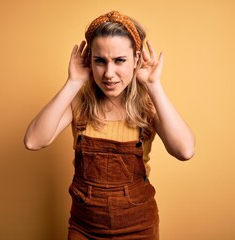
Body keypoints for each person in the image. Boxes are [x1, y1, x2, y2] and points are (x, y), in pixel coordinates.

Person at [24, 10, 195, 240]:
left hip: (139, 227)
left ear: (136, 59)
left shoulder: (148, 105)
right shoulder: (79, 102)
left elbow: (185, 151)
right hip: (84, 229)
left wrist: (154, 86)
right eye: (100, 61)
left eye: (120, 60)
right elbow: (33, 141)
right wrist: (72, 82)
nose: (109, 74)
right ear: (89, 61)